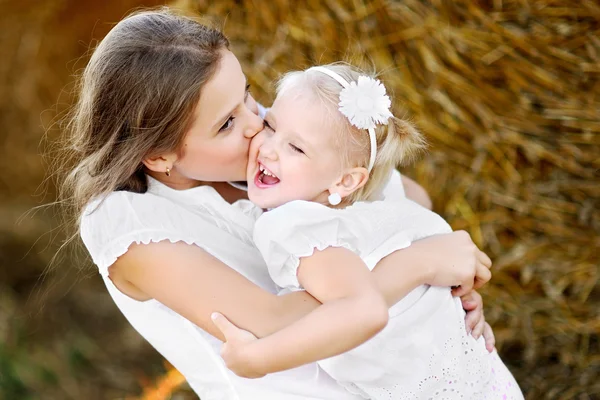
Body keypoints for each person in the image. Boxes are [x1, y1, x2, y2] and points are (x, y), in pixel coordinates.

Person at [63, 9, 493, 399]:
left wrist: (437, 301)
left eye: (247, 95)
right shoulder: (129, 224)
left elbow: (407, 197)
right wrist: (417, 265)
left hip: (403, 379)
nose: (256, 124)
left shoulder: (266, 137)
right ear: (158, 156)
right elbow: (272, 322)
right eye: (228, 122)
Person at [211, 64, 524, 399]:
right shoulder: (384, 214)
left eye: (296, 148)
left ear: (345, 181)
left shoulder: (293, 225)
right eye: (271, 126)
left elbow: (359, 309)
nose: (268, 148)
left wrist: (257, 359)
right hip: (491, 382)